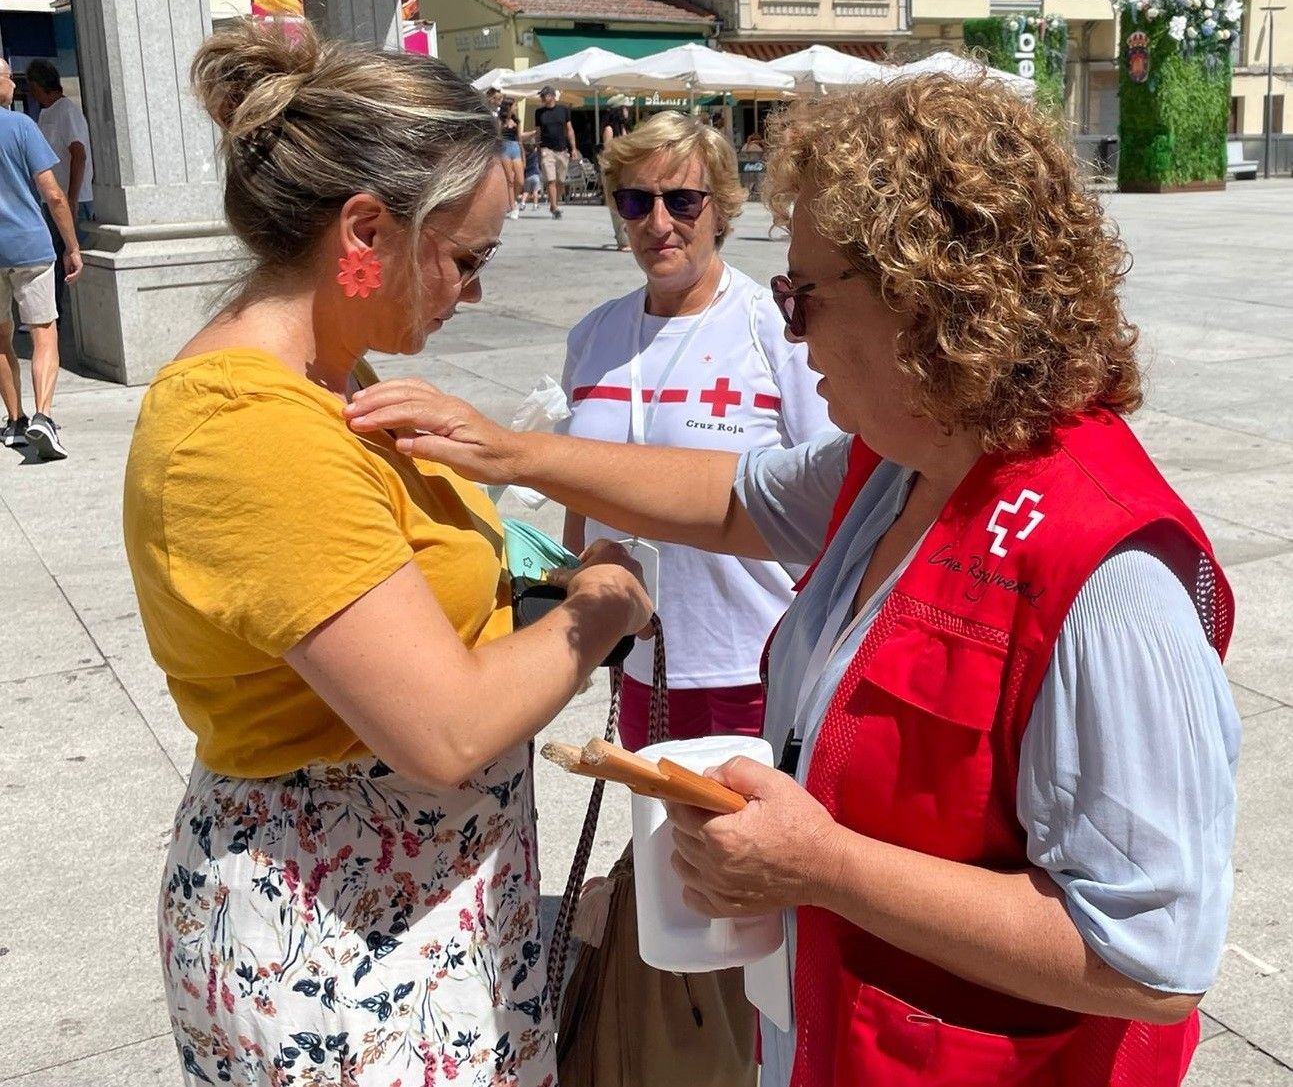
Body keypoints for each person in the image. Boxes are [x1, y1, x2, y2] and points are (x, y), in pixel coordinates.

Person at [345, 74, 1242, 1087]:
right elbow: (732, 498)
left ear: (925, 301)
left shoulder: (1107, 584)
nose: (792, 332)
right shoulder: (904, 461)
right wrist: (512, 454)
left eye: (803, 295)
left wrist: (824, 868)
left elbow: (1151, 962)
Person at [123, 22, 652, 1087]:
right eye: (466, 257)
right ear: (365, 228)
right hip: (340, 943)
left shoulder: (328, 380)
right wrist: (602, 604)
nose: (475, 291)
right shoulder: (251, 428)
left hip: (404, 915)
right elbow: (442, 727)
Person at [556, 109, 833, 752]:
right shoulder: (594, 335)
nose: (659, 224)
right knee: (658, 850)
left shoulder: (775, 327)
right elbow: (578, 488)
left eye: (682, 200)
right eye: (635, 200)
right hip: (638, 666)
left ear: (723, 209)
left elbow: (834, 488)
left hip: (756, 664)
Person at [0, 57, 81, 459]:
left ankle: (13, 422)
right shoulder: (21, 126)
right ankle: (42, 417)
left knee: (1, 337)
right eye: (7, 78)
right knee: (43, 332)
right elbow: (52, 193)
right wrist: (72, 245)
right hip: (30, 246)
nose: (14, 85)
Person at [26, 59, 95, 320]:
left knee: (71, 253)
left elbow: (79, 154)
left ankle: (75, 313)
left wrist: (73, 198)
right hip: (50, 198)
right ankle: (58, 311)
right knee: (54, 256)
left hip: (69, 198)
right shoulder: (45, 113)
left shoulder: (67, 111)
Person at [525, 86, 579, 219]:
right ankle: (554, 207)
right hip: (546, 149)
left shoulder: (563, 110)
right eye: (541, 96)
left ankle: (553, 203)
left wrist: (573, 148)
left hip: (561, 149)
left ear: (553, 96)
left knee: (560, 180)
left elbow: (569, 130)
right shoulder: (539, 112)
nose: (542, 98)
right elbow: (538, 133)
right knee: (551, 180)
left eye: (544, 95)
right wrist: (538, 151)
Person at [600, 103, 632, 250]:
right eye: (625, 107)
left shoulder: (623, 128)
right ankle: (622, 240)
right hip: (613, 169)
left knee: (626, 204)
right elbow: (608, 151)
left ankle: (626, 238)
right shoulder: (609, 129)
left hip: (624, 169)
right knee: (616, 205)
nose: (627, 110)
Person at [498, 95, 524, 219]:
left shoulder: (516, 121)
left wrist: (523, 155)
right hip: (504, 148)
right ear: (508, 107)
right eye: (514, 105)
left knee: (520, 180)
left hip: (515, 148)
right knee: (510, 180)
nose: (516, 107)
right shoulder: (499, 121)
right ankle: (513, 206)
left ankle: (511, 200)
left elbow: (519, 139)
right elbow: (496, 138)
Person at [519, 142, 543, 211]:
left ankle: (522, 204)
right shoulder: (535, 155)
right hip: (535, 175)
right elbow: (537, 149)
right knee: (535, 191)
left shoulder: (524, 157)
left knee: (526, 191)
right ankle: (535, 205)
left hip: (527, 176)